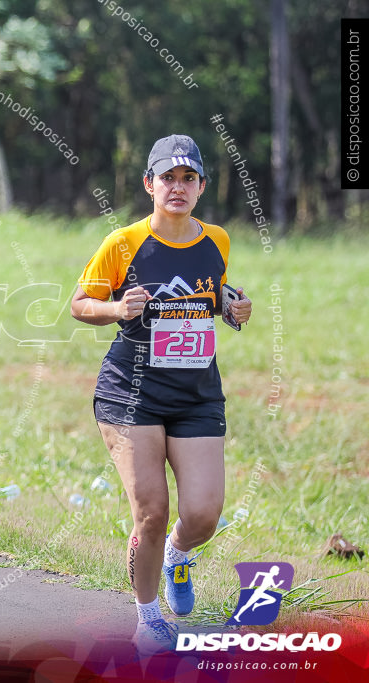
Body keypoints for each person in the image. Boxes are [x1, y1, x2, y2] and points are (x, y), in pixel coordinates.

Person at [70, 134, 253, 655]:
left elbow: (214, 295)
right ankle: (148, 618)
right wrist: (117, 309)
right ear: (149, 184)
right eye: (167, 178)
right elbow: (80, 303)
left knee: (203, 514)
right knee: (151, 510)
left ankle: (178, 554)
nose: (177, 187)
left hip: (196, 392)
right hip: (132, 393)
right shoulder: (124, 243)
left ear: (200, 187)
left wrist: (232, 309)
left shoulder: (217, 239)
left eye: (188, 178)